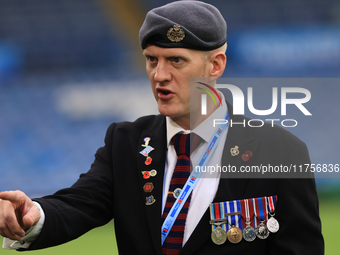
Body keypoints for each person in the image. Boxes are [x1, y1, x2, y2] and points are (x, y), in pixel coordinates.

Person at [0, 1, 324, 254]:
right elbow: (78, 205)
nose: (159, 75)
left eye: (176, 60)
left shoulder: (280, 150)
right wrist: (34, 215)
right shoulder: (125, 142)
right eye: (152, 59)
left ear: (216, 65)